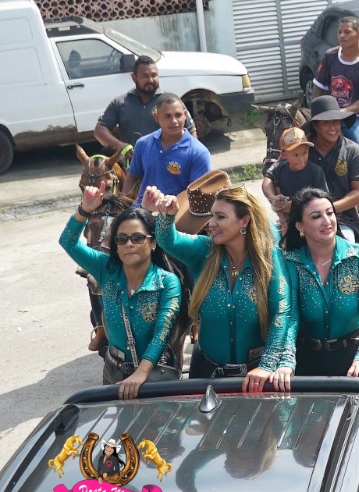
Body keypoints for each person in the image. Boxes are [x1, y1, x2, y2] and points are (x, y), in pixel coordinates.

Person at [144, 183, 295, 393]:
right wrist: (167, 216)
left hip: (257, 377)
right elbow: (168, 240)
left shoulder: (269, 257)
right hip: (206, 374)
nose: (211, 223)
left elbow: (282, 312)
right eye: (212, 215)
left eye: (220, 217)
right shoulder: (203, 250)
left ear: (244, 220)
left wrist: (267, 365)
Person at [60, 188, 182, 397]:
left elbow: (162, 334)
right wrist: (84, 210)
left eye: (138, 238)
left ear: (153, 243)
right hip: (114, 373)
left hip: (156, 375)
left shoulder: (167, 282)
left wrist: (141, 373)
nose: (129, 244)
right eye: (122, 239)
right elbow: (68, 241)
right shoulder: (105, 269)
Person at [281, 188, 359, 383]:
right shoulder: (291, 262)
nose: (327, 221)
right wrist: (286, 360)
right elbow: (289, 315)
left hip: (356, 359)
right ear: (300, 226)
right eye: (316, 216)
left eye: (330, 213)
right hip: (306, 361)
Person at [311, 16, 359, 187]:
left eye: (347, 32)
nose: (342, 36)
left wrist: (342, 113)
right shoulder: (330, 56)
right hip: (328, 115)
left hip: (357, 117)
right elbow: (318, 87)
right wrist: (316, 113)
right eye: (340, 32)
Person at [95, 55, 196, 160]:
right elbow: (99, 130)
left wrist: (192, 158)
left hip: (167, 164)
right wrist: (120, 146)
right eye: (145, 76)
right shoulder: (120, 103)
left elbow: (191, 130)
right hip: (133, 164)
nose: (150, 80)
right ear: (134, 77)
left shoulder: (172, 101)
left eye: (154, 75)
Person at [302, 95, 359, 242]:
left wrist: (327, 211)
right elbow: (275, 174)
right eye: (326, 123)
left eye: (336, 122)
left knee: (347, 243)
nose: (333, 127)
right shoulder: (301, 151)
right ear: (315, 125)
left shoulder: (354, 151)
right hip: (304, 222)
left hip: (344, 221)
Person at [122, 92, 211, 206]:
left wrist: (170, 208)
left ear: (185, 115)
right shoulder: (143, 144)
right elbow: (133, 177)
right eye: (168, 116)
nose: (174, 121)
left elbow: (197, 196)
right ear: (156, 117)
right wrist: (124, 205)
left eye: (178, 115)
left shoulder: (198, 152)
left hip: (176, 212)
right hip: (142, 211)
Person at [261, 127, 328, 228]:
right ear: (284, 154)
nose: (301, 159)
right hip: (287, 221)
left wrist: (295, 207)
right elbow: (267, 180)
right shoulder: (279, 169)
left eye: (304, 153)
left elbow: (322, 201)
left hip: (313, 222)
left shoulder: (315, 172)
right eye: (295, 155)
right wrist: (273, 198)